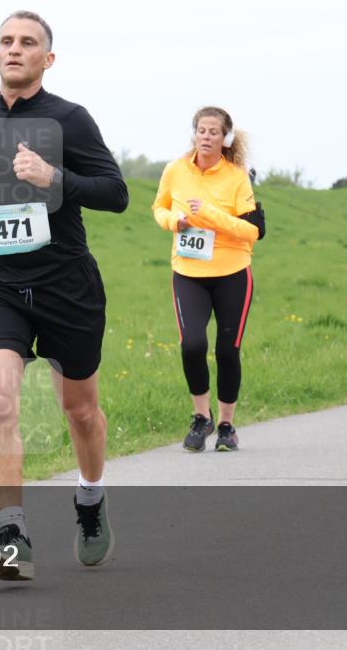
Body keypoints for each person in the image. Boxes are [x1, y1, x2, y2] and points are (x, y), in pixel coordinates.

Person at [0, 10, 128, 580]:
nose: (14, 49)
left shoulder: (71, 119)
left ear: (47, 59)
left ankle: (91, 501)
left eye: (28, 43)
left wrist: (56, 179)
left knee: (80, 410)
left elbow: (116, 193)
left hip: (67, 285)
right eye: (6, 41)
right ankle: (12, 533)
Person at [151, 107, 263, 452]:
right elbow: (159, 208)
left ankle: (227, 426)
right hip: (188, 272)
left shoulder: (237, 176)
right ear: (194, 133)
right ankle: (202, 418)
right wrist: (174, 221)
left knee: (227, 351)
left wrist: (210, 215)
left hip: (232, 273)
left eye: (214, 132)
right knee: (192, 345)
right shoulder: (175, 169)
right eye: (201, 130)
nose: (206, 136)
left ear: (225, 138)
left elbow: (252, 231)